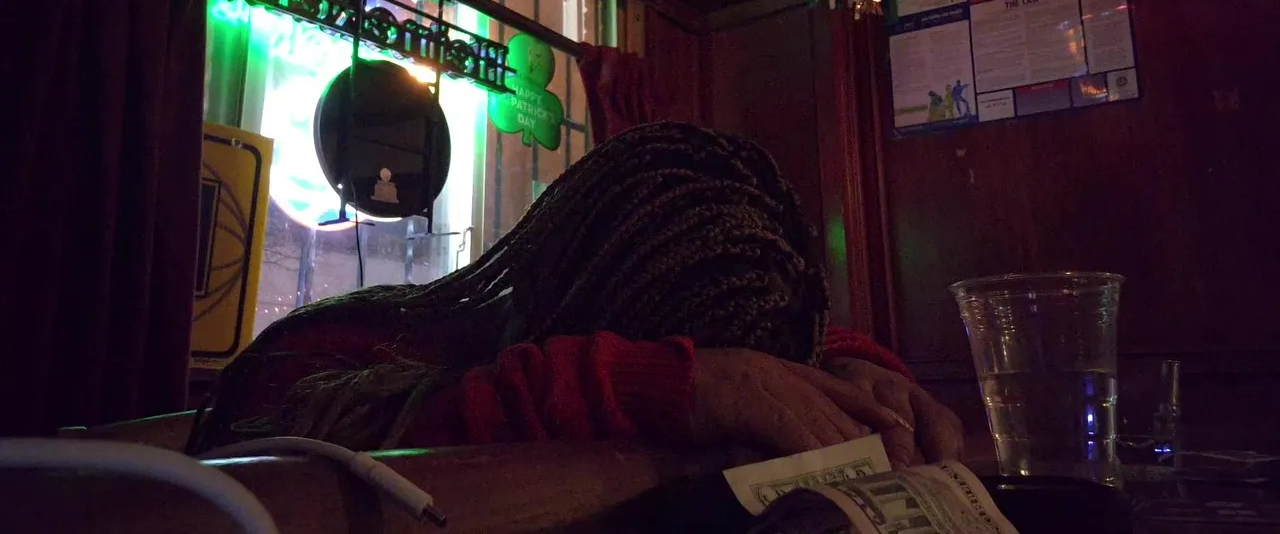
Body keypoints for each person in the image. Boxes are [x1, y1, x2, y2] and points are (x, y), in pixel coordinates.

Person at [189, 123, 962, 467]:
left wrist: (837, 364)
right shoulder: (319, 356)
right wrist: (669, 385)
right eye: (654, 354)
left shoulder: (703, 312)